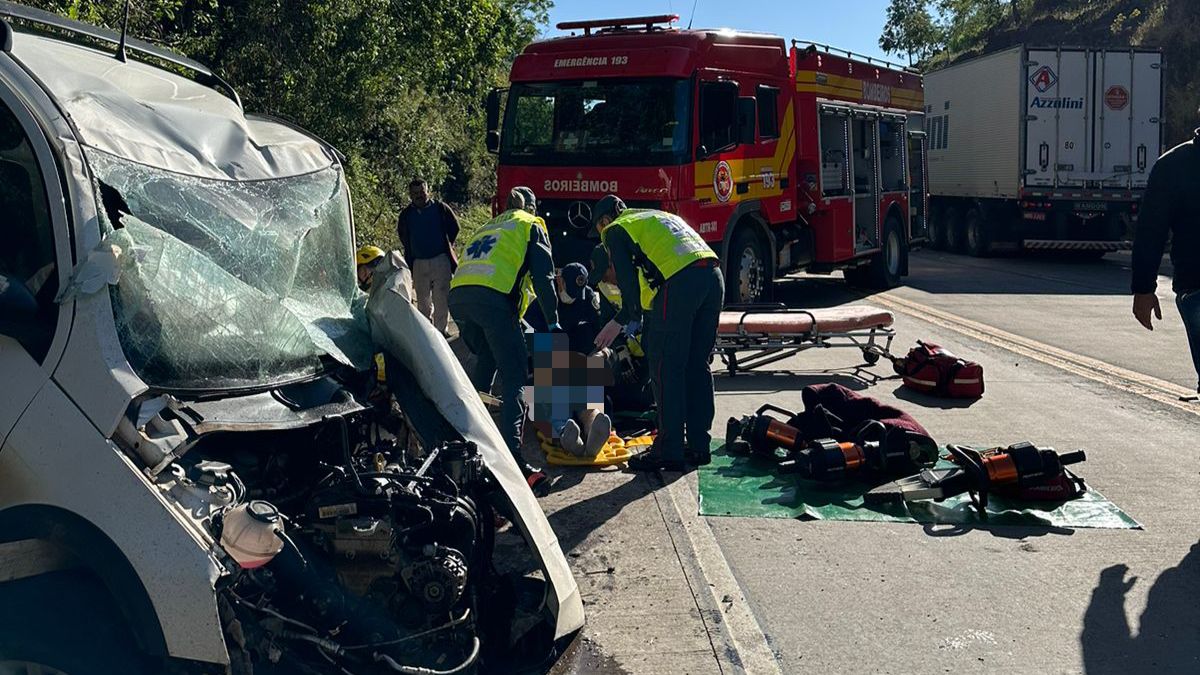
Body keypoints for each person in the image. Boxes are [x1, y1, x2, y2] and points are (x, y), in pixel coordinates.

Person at [592, 196, 724, 471]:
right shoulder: (654, 218)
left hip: (680, 283)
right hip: (712, 275)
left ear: (604, 221)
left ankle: (668, 450)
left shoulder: (615, 230)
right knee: (697, 365)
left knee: (666, 369)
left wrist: (621, 318)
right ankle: (700, 446)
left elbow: (629, 287)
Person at [448, 188, 559, 488]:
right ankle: (513, 460)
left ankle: (467, 444)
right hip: (492, 301)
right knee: (514, 377)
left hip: (459, 298)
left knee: (485, 362)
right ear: (532, 207)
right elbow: (544, 278)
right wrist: (554, 321)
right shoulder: (530, 224)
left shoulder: (491, 225)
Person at [355, 245, 457, 448]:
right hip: (388, 367)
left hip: (385, 368)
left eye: (363, 271)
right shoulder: (384, 296)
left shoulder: (379, 299)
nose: (362, 276)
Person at [1131, 119, 1200, 393]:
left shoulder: (1172, 164)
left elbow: (1151, 230)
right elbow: (1151, 231)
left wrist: (1143, 290)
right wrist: (1143, 288)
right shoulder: (1173, 165)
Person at [396, 178, 460, 335]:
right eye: (415, 193)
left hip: (440, 259)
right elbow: (403, 235)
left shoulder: (440, 208)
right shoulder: (406, 215)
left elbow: (455, 227)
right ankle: (426, 332)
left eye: (422, 192)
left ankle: (441, 330)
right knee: (423, 300)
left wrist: (447, 243)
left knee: (441, 297)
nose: (419, 196)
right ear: (410, 195)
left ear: (428, 191)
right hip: (418, 262)